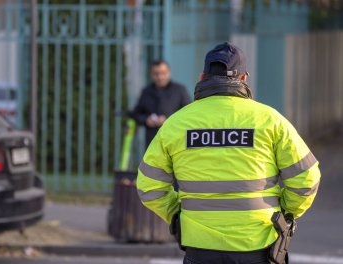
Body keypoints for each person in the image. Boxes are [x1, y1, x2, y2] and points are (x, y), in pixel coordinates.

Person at [136, 42, 321, 264]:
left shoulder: (176, 123)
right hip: (257, 241)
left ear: (202, 77)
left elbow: (149, 185)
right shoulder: (270, 120)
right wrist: (284, 212)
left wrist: (177, 215)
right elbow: (307, 178)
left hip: (199, 245)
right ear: (244, 79)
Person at [132, 60, 190, 148]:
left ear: (169, 72)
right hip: (152, 142)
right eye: (156, 74)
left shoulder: (180, 90)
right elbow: (137, 114)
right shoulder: (146, 92)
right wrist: (146, 120)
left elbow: (188, 113)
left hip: (175, 140)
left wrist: (168, 119)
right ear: (151, 74)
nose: (160, 77)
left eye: (163, 73)